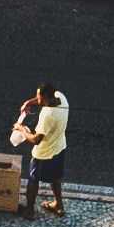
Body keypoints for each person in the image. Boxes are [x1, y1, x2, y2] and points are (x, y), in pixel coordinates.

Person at [11, 82, 69, 216]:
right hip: (59, 146)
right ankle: (59, 205)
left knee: (33, 179)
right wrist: (28, 102)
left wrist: (21, 129)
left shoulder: (48, 115)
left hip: (44, 153)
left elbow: (36, 140)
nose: (38, 101)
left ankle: (29, 211)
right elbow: (41, 99)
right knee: (55, 177)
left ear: (49, 98)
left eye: (40, 99)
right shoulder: (61, 97)